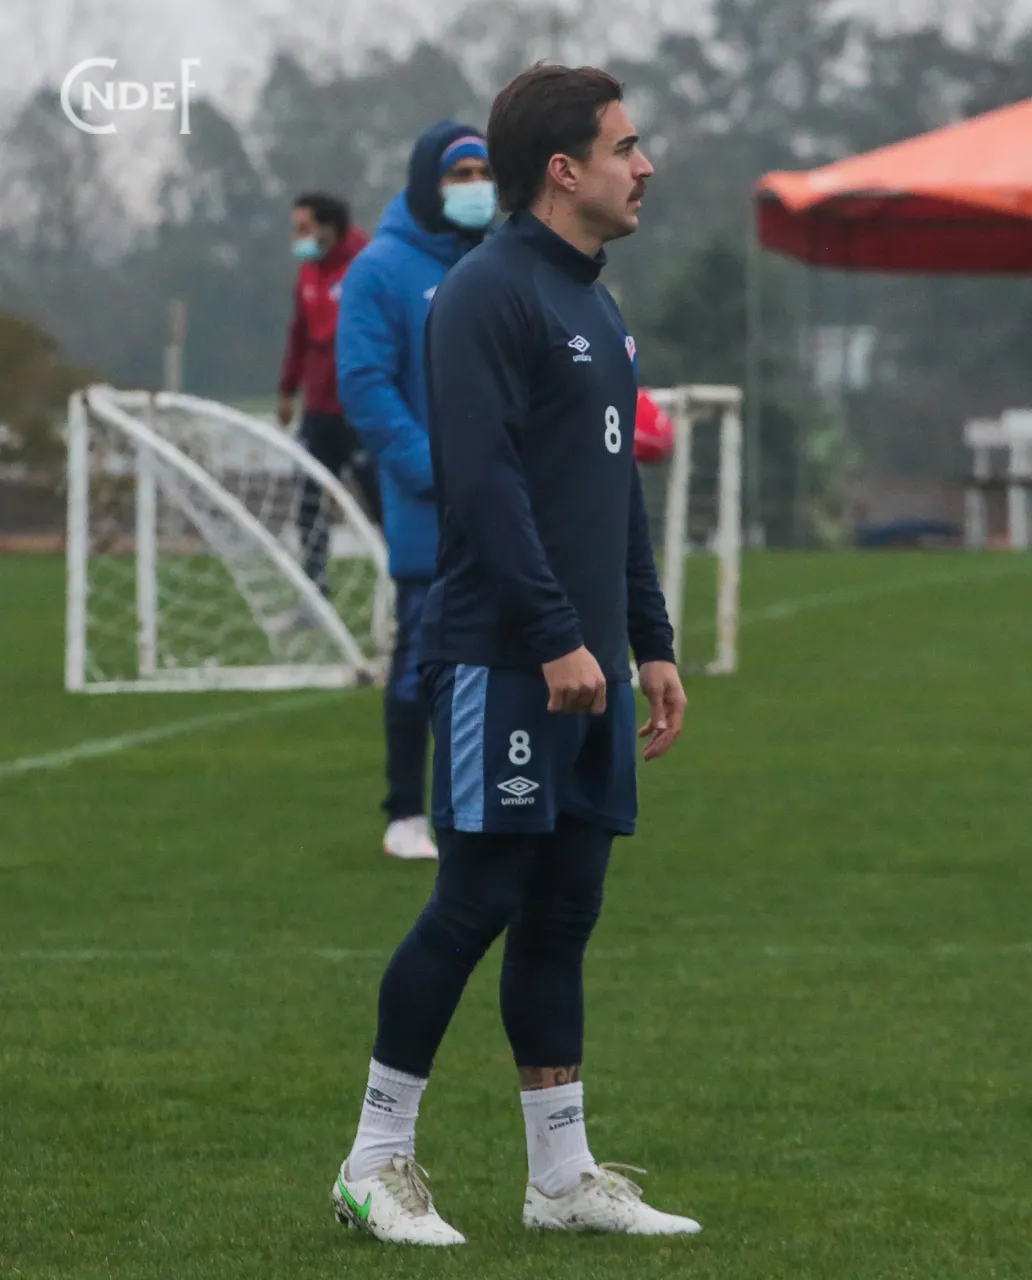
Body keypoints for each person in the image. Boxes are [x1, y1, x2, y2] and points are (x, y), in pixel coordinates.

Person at [328, 64, 694, 1246]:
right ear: (565, 168)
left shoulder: (599, 305)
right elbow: (481, 488)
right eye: (627, 146)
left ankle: (561, 1176)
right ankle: (373, 1161)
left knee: (564, 910)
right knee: (474, 899)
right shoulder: (485, 294)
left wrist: (649, 639)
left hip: (587, 667)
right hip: (504, 658)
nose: (646, 166)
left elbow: (614, 496)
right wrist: (552, 636)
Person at [336, 123, 498, 862]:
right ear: (428, 182)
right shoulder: (381, 269)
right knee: (422, 663)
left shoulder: (500, 260)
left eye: (484, 172)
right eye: (460, 173)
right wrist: (431, 469)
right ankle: (405, 812)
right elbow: (365, 385)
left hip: (511, 507)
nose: (475, 187)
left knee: (510, 665)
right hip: (430, 512)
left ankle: (499, 804)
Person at [279, 192, 377, 593]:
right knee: (308, 500)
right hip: (318, 409)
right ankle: (315, 590)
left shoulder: (366, 265)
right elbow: (299, 334)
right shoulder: (307, 272)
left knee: (379, 502)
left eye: (304, 227)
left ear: (329, 227)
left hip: (360, 410)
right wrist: (287, 390)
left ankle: (403, 587)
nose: (298, 236)